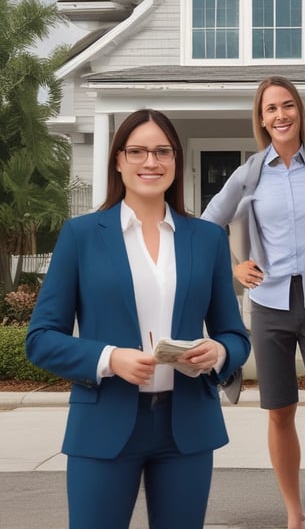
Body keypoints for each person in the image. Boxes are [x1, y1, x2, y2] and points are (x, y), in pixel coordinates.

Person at [25, 109, 251, 529]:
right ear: (118, 160)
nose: (152, 162)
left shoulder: (206, 239)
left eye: (163, 151)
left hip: (186, 428)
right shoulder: (81, 236)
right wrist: (111, 359)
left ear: (176, 161)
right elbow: (40, 339)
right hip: (104, 423)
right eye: (138, 151)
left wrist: (219, 351)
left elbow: (235, 336)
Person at [201, 76, 305, 529]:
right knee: (280, 411)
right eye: (271, 109)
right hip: (269, 303)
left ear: (300, 111)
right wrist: (233, 268)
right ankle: (294, 514)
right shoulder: (250, 172)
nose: (281, 115)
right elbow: (208, 224)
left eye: (288, 106)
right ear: (261, 119)